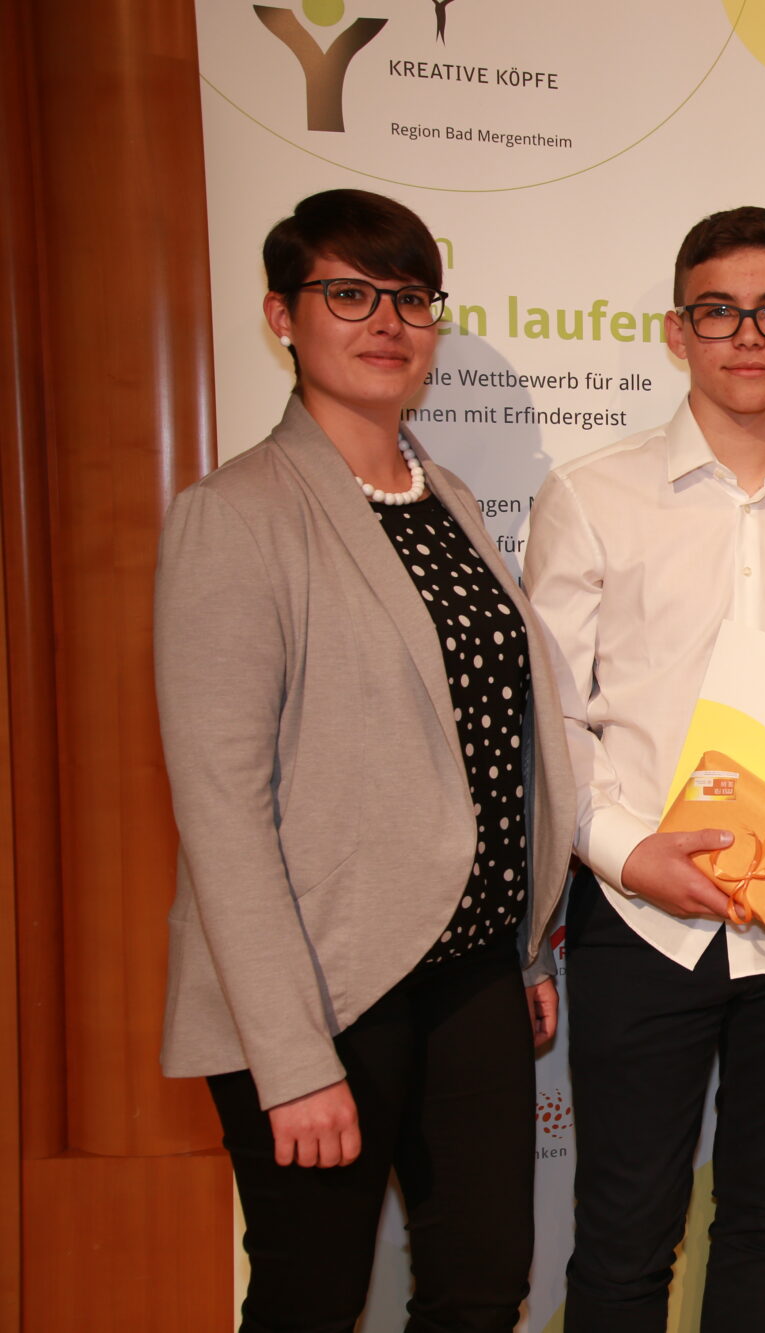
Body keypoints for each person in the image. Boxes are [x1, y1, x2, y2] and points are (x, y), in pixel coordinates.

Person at [154, 188, 580, 1331]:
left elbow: (493, 749)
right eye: (349, 294)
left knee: (482, 1288)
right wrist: (290, 1057)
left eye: (410, 297)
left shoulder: (447, 499)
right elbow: (222, 811)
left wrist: (526, 951)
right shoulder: (234, 514)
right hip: (326, 987)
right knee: (312, 1299)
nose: (387, 321)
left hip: (473, 975)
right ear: (281, 317)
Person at [522, 205, 765, 1333]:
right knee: (624, 1234)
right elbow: (552, 719)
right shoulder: (591, 497)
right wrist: (623, 852)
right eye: (719, 311)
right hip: (639, 919)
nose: (748, 335)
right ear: (676, 331)